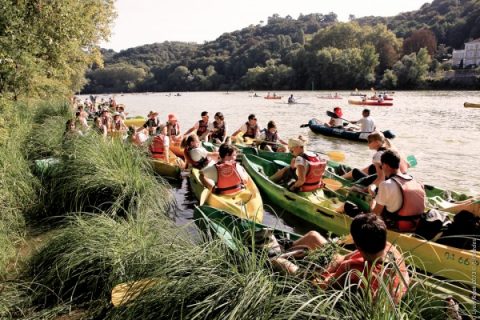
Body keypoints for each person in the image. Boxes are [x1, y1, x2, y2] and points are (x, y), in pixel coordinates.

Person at [271, 213, 409, 304]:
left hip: (327, 284)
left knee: (278, 261)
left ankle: (277, 256)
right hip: (340, 273)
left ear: (357, 244)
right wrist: (332, 265)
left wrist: (316, 271)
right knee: (313, 236)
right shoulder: (390, 248)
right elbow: (343, 258)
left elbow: (323, 287)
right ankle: (289, 249)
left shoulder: (352, 268)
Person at [369, 150, 426, 232]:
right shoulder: (417, 182)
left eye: (381, 166)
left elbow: (374, 214)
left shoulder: (386, 185)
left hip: (398, 226)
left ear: (385, 165)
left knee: (352, 208)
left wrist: (373, 198)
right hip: (416, 225)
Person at [341, 132, 410, 188]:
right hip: (396, 180)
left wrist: (367, 189)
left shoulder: (378, 155)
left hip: (382, 182)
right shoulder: (393, 152)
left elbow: (381, 178)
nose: (368, 144)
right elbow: (408, 165)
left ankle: (341, 178)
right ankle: (346, 175)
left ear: (376, 142)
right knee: (371, 167)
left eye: (369, 142)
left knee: (355, 171)